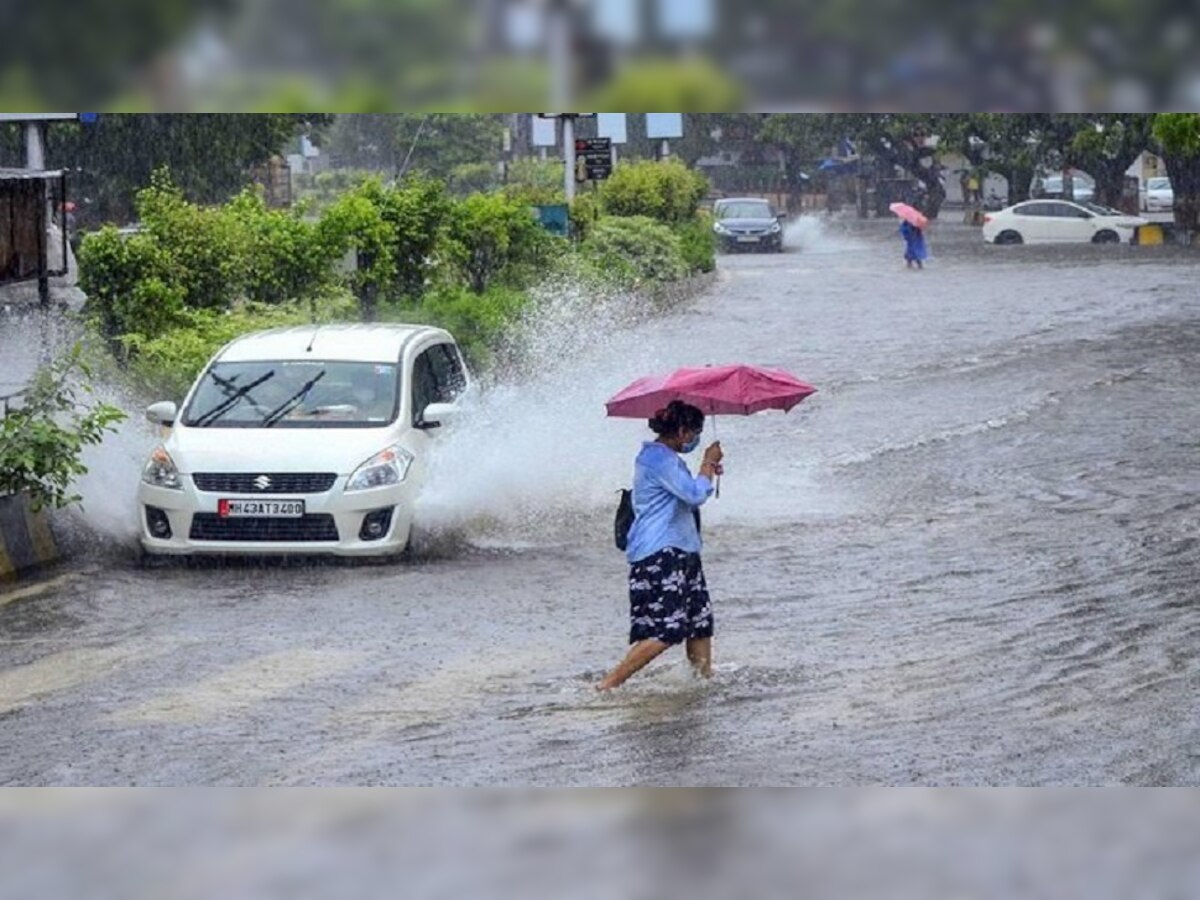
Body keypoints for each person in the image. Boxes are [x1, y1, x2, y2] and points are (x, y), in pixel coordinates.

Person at [598, 400, 724, 691]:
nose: (696, 439)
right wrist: (706, 464)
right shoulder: (657, 459)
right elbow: (694, 494)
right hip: (660, 553)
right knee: (667, 630)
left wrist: (708, 472)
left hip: (684, 550)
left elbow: (688, 492)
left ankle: (701, 684)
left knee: (699, 622)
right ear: (682, 431)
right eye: (695, 432)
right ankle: (609, 684)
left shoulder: (668, 459)